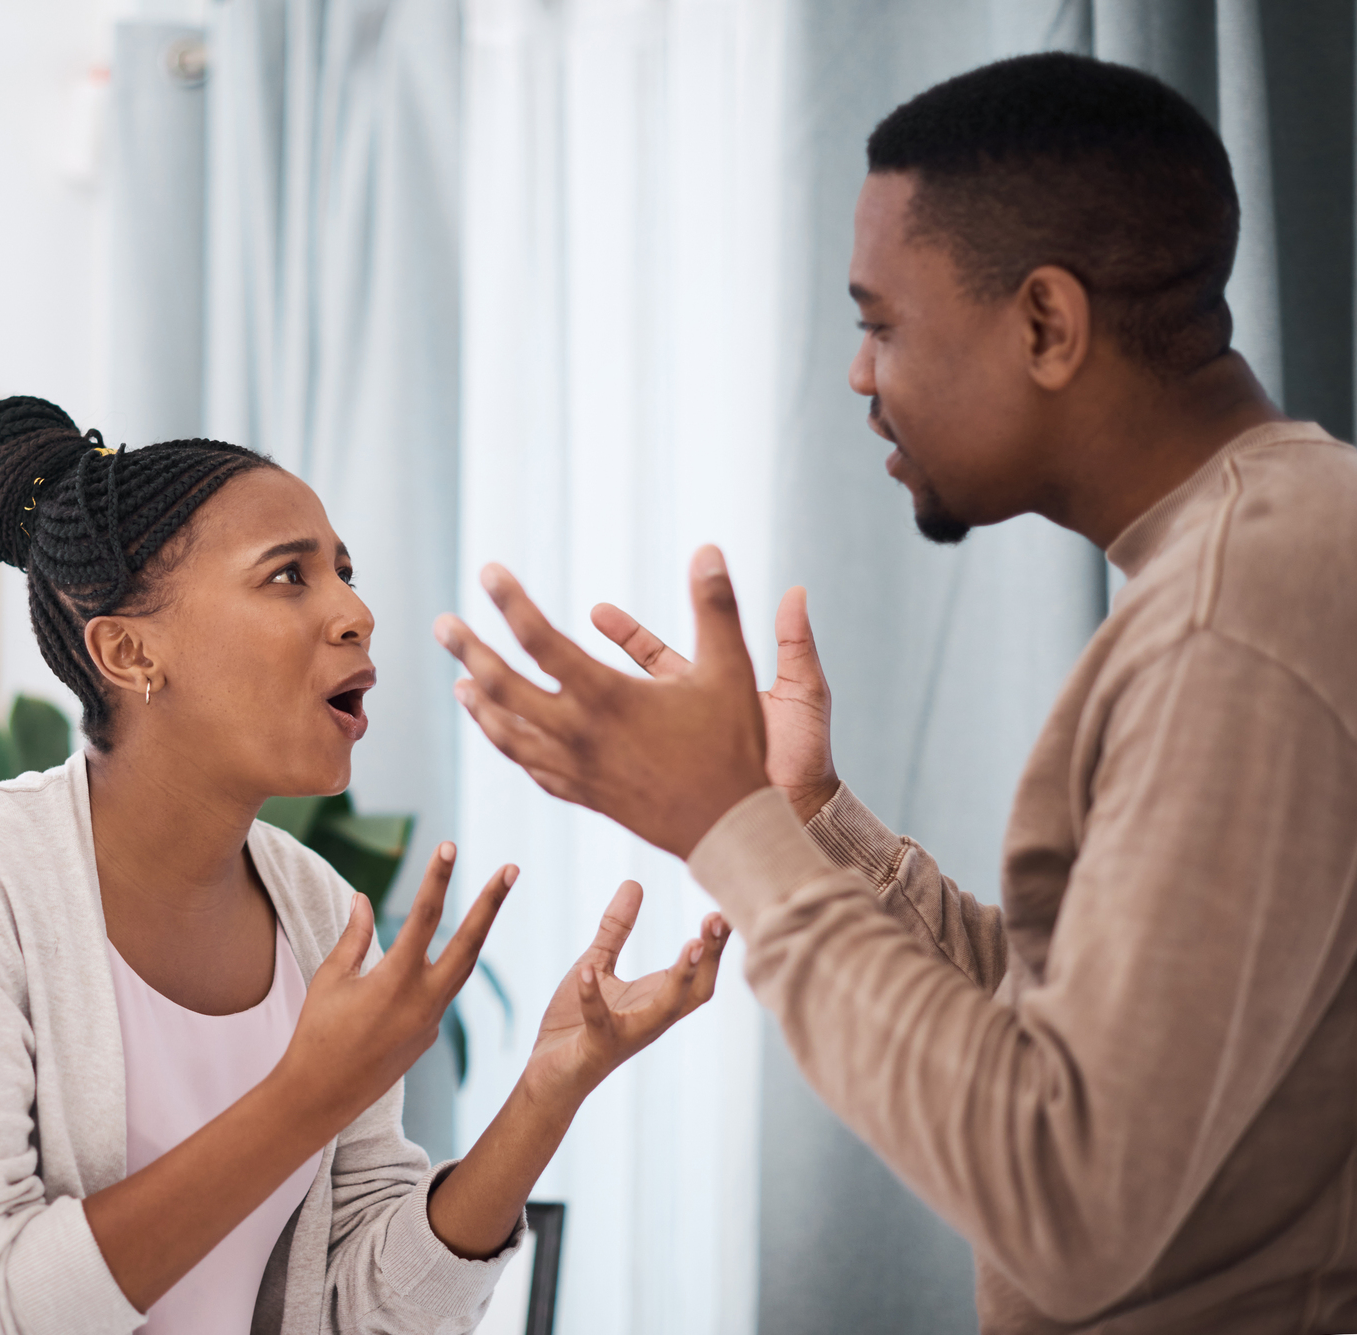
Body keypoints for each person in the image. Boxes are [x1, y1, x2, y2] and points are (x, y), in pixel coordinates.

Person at [436, 52, 1357, 1335]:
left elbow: (1064, 1193)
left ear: (1045, 323)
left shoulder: (1233, 618)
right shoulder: (1271, 549)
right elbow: (1077, 1041)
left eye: (880, 324)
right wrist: (803, 817)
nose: (862, 378)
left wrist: (725, 832)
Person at [0, 396, 732, 1335]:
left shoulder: (313, 906)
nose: (355, 611)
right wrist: (302, 1097)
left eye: (344, 572)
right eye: (287, 576)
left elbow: (367, 1307)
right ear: (129, 652)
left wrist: (545, 1092)